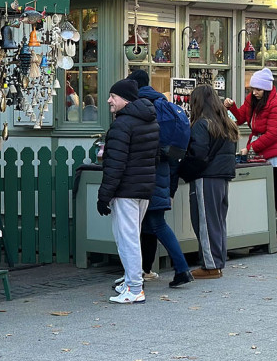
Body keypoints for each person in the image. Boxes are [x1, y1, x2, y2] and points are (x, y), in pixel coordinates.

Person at [125, 69, 195, 290]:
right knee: (149, 225)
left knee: (156, 224)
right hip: (163, 170)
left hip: (148, 172)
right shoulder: (161, 103)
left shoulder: (142, 107)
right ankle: (143, 270)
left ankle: (182, 269)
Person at [97, 78, 159, 304]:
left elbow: (115, 165)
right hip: (143, 188)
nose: (108, 101)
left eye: (112, 97)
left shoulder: (122, 125)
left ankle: (134, 288)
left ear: (124, 99)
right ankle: (130, 280)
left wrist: (104, 196)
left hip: (126, 190)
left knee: (127, 240)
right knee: (133, 237)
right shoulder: (149, 120)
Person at [224, 68, 277, 251]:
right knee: (262, 196)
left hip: (275, 153)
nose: (254, 92)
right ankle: (267, 235)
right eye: (252, 88)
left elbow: (273, 133)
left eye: (258, 89)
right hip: (259, 149)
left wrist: (251, 148)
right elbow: (240, 118)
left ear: (267, 89)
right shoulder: (251, 100)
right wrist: (231, 106)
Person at [180, 85, 238, 278]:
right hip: (222, 176)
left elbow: (198, 155)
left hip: (206, 177)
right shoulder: (226, 123)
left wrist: (183, 169)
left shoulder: (201, 124)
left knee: (205, 221)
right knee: (218, 221)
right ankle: (217, 261)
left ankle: (210, 265)